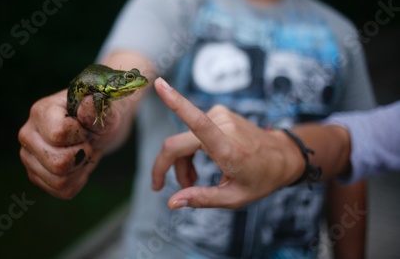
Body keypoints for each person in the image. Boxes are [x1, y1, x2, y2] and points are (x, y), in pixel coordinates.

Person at [18, 0, 376, 258]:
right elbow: (130, 69)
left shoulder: (339, 34)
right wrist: (98, 124)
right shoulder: (169, 0)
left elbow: (353, 161)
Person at [152, 77, 400, 210]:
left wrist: (279, 154)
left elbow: (358, 156)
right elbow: (358, 139)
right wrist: (281, 153)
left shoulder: (340, 29)